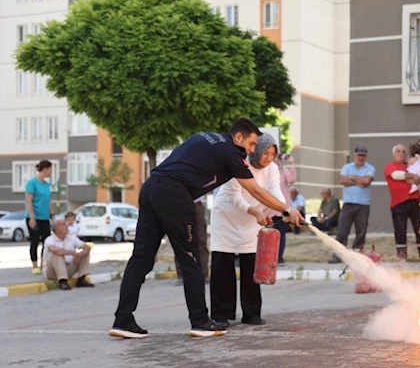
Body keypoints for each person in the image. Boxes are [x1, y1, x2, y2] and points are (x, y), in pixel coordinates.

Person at [110, 118, 301, 339]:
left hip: (151, 187)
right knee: (191, 260)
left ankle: (122, 320)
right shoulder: (232, 154)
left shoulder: (203, 136)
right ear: (238, 138)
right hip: (175, 195)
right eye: (250, 144)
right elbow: (256, 191)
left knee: (140, 259)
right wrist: (287, 210)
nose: (251, 150)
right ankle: (200, 321)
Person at [210, 134, 285, 328]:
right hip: (226, 217)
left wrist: (285, 210)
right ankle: (221, 314)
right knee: (223, 266)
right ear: (257, 150)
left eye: (272, 154)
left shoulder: (273, 169)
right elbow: (233, 197)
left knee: (251, 265)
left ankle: (251, 313)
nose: (269, 158)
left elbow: (274, 192)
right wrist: (254, 211)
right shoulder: (239, 164)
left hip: (252, 220)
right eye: (266, 153)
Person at [329, 145, 375, 264]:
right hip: (348, 204)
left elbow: (366, 182)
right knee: (342, 231)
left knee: (361, 231)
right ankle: (338, 255)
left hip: (363, 205)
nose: (361, 157)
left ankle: (357, 256)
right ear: (355, 155)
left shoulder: (370, 168)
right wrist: (359, 180)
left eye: (363, 155)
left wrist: (352, 177)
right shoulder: (347, 167)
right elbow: (342, 181)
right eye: (359, 155)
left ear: (366, 156)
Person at [385, 144, 420, 261]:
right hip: (399, 203)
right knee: (400, 229)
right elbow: (397, 175)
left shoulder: (410, 164)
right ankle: (402, 256)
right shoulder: (390, 166)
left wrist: (416, 176)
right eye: (398, 151)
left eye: (403, 151)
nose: (401, 153)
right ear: (393, 154)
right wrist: (413, 175)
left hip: (415, 201)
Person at [43, 219, 94, 291]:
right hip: (52, 272)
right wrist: (74, 253)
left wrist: (80, 255)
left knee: (85, 254)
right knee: (58, 255)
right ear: (57, 230)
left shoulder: (71, 237)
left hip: (68, 268)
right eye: (63, 225)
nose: (67, 226)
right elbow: (55, 251)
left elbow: (87, 247)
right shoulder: (49, 239)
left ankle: (81, 279)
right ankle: (63, 281)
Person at [264, 152, 296, 264]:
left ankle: (279, 257)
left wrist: (292, 163)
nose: (277, 159)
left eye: (278, 156)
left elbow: (292, 180)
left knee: (281, 234)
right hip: (268, 208)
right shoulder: (265, 171)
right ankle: (268, 257)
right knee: (267, 234)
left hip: (282, 209)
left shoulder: (283, 171)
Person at [25, 160, 53, 275]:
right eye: (50, 169)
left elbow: (49, 201)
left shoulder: (46, 185)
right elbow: (29, 201)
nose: (51, 172)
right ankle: (35, 265)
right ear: (45, 169)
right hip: (34, 217)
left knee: (46, 241)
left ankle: (43, 264)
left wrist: (53, 215)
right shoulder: (32, 183)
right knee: (35, 241)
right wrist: (32, 218)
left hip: (45, 217)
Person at [174, 196, 209, 286]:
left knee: (201, 239)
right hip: (179, 205)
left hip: (196, 204)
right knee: (180, 240)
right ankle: (182, 275)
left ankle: (203, 274)